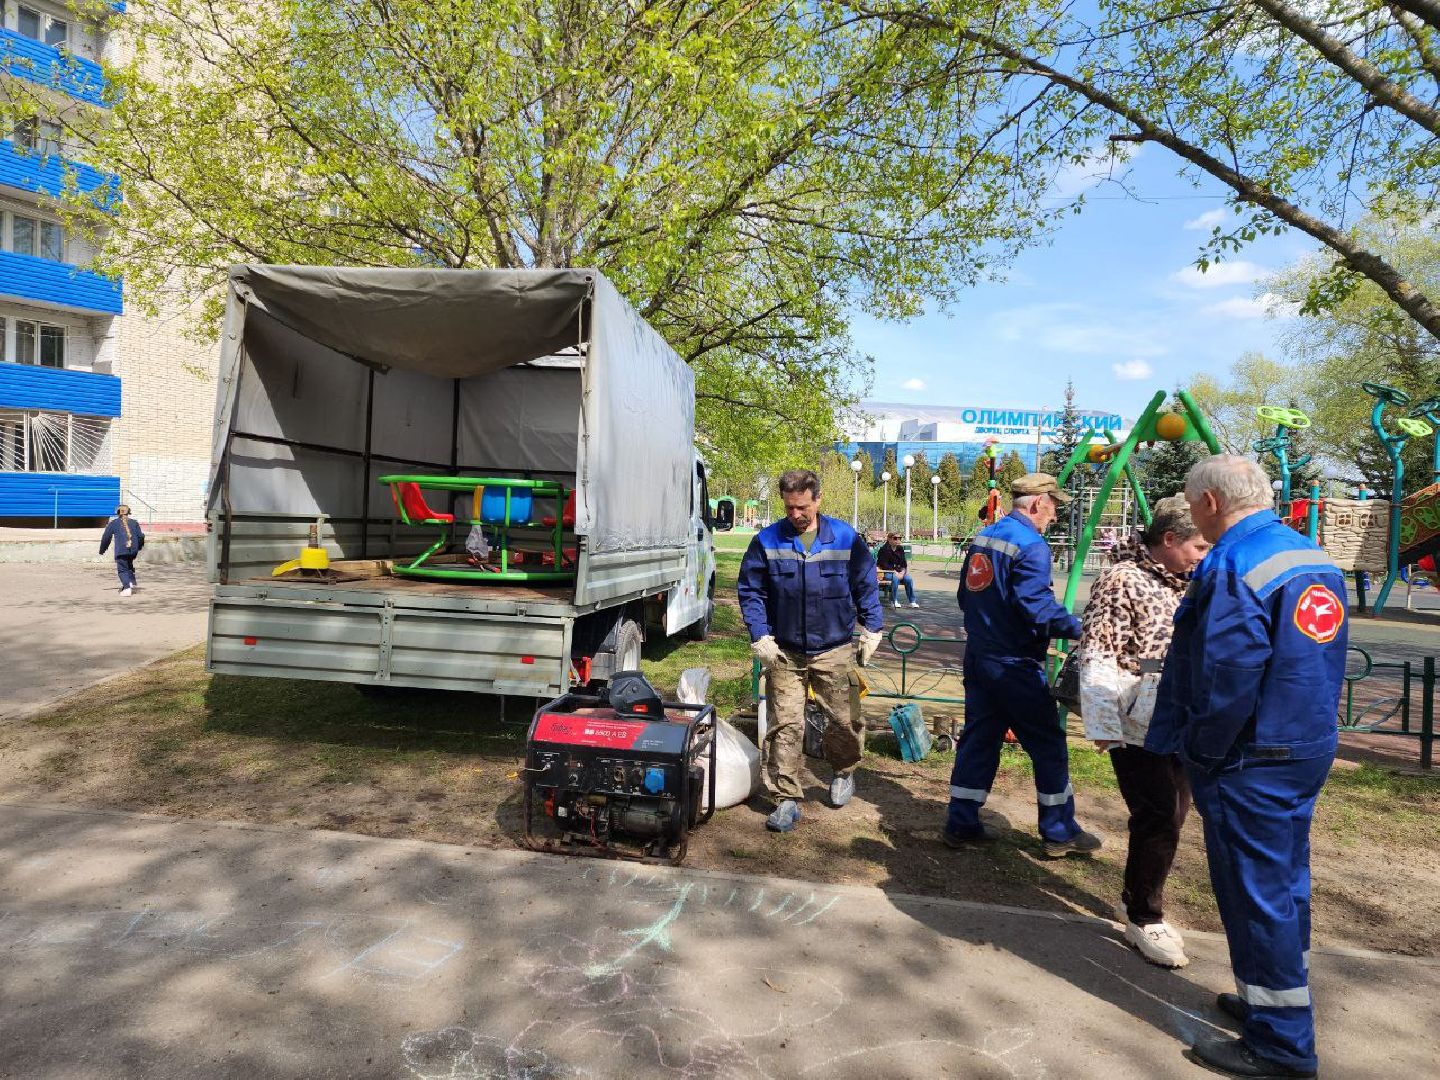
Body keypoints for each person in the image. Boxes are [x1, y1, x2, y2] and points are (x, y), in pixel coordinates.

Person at [1148, 456, 1347, 1079]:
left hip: (1249, 758)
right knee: (1285, 884)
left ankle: (1282, 1046)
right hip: (1302, 745)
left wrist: (1202, 750)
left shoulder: (1234, 564)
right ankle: (1272, 1000)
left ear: (1209, 501)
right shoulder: (1309, 556)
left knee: (1254, 893)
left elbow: (1226, 676)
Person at [1077, 496, 1211, 968]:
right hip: (1137, 719)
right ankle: (1144, 915)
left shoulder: (1193, 581)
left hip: (1182, 715)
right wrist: (1103, 723)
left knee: (1174, 812)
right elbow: (1098, 652)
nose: (1203, 553)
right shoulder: (1122, 579)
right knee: (1157, 812)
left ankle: (1138, 896)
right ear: (1169, 540)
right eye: (1198, 545)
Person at [944, 473, 1103, 856]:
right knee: (1047, 743)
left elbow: (967, 596)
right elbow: (1038, 607)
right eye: (1053, 506)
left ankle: (961, 824)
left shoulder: (987, 536)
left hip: (980, 657)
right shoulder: (1031, 545)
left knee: (980, 738)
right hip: (1014, 662)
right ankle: (1059, 832)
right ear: (1035, 504)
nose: (1055, 514)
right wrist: (1083, 629)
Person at [738, 470, 884, 832]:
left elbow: (865, 583)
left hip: (833, 648)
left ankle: (843, 770)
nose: (796, 514)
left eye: (802, 507)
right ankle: (786, 798)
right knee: (785, 724)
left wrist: (872, 628)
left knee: (844, 720)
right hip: (785, 650)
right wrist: (760, 635)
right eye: (789, 508)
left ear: (818, 500)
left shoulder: (845, 538)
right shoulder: (767, 541)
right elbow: (751, 590)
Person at [99, 504, 145, 596]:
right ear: (129, 512)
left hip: (121, 550)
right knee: (129, 565)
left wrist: (102, 550)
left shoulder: (113, 523)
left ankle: (127, 589)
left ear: (117, 513)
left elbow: (106, 537)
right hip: (133, 550)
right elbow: (141, 536)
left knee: (122, 570)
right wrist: (138, 547)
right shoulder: (134, 523)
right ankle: (131, 582)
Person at [875, 533, 919, 609]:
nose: (897, 540)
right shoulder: (883, 550)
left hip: (899, 571)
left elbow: (904, 564)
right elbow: (883, 564)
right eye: (895, 538)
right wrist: (894, 572)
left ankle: (912, 601)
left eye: (899, 538)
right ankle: (894, 600)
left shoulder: (900, 549)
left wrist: (902, 572)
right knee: (894, 578)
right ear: (889, 539)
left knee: (908, 579)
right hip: (887, 572)